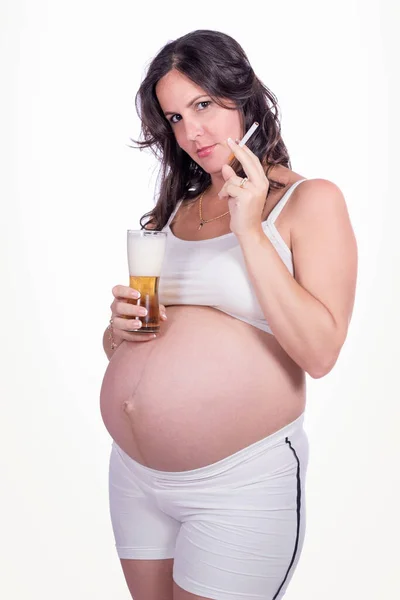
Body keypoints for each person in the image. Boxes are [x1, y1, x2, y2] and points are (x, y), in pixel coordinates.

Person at [100, 29, 358, 600]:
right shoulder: (178, 209)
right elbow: (146, 343)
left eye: (203, 105)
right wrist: (115, 332)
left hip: (239, 483)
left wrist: (249, 231)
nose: (192, 132)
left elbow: (320, 353)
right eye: (174, 118)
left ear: (241, 95)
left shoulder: (308, 201)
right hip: (137, 479)